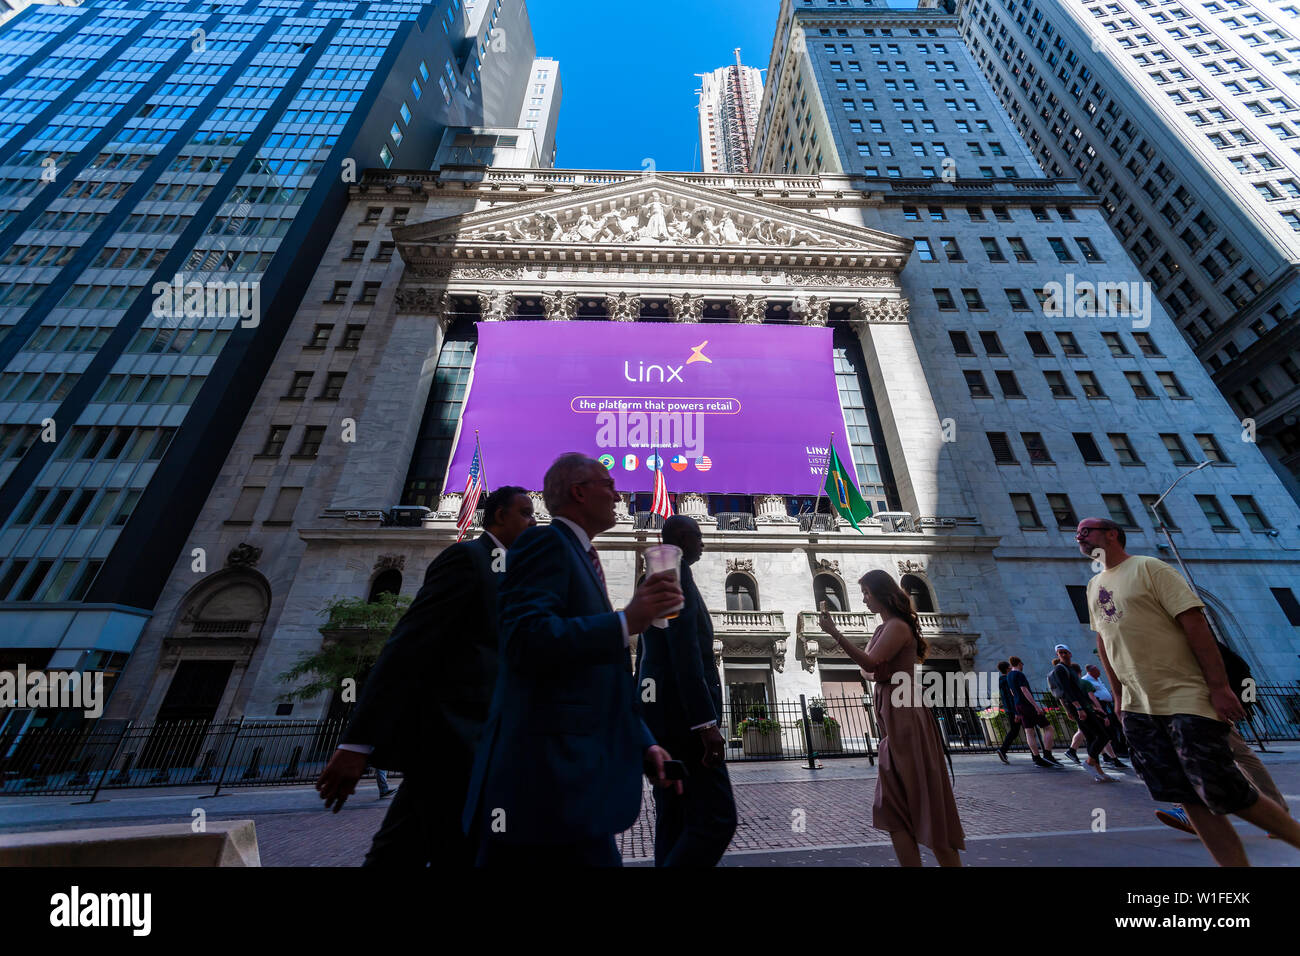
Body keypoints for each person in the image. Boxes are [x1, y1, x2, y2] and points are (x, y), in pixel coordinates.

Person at [463, 453, 684, 867]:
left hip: (571, 782)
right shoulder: (544, 543)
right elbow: (526, 639)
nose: (618, 494)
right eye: (608, 484)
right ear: (579, 492)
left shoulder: (582, 556)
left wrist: (644, 742)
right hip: (547, 776)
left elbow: (595, 673)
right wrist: (626, 621)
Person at [315, 486, 535, 866]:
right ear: (500, 515)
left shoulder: (511, 573)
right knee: (415, 849)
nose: (533, 522)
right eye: (526, 513)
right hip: (448, 748)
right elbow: (408, 646)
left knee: (431, 848)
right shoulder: (467, 559)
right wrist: (357, 744)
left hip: (480, 750)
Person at [1077, 517, 1300, 865]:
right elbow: (1105, 642)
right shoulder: (1093, 586)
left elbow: (1195, 622)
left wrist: (1219, 687)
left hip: (1186, 699)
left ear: (1112, 534)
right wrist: (1120, 698)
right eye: (1078, 532)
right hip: (1140, 709)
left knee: (1227, 791)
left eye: (1086, 530)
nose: (1079, 535)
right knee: (1189, 799)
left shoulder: (1150, 568)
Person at [819, 570, 965, 867]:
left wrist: (835, 633)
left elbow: (870, 664)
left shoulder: (897, 627)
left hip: (906, 715)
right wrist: (872, 667)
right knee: (891, 809)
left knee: (924, 803)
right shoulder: (881, 630)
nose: (863, 600)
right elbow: (868, 670)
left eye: (866, 594)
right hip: (892, 715)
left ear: (881, 594)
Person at [636, 515, 736, 866]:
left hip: (662, 720)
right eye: (698, 535)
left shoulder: (657, 570)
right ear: (681, 537)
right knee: (717, 818)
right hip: (683, 723)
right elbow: (684, 650)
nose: (703, 542)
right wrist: (704, 724)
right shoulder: (673, 568)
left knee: (675, 818)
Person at [1048, 645, 1114, 782]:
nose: (1063, 654)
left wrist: (1090, 707)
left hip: (1084, 706)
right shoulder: (1060, 669)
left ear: (1070, 653)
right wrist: (1078, 708)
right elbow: (1066, 691)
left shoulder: (1070, 669)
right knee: (1102, 735)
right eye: (1060, 653)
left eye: (1065, 652)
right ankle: (1089, 763)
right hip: (1078, 707)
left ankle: (1099, 771)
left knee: (1092, 737)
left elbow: (1077, 690)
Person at [1004, 656, 1059, 768]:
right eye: (1022, 664)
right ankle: (1048, 755)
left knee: (1029, 731)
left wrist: (1017, 709)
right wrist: (1036, 706)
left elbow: (1012, 692)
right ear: (1019, 663)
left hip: (1018, 705)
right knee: (1048, 728)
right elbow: (1024, 690)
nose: (1023, 666)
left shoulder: (1009, 675)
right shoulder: (1019, 674)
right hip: (1027, 704)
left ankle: (1037, 757)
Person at [1072, 661, 1127, 769]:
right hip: (1096, 708)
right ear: (1089, 671)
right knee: (1102, 735)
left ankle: (1104, 759)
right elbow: (1092, 698)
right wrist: (1101, 711)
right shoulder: (1085, 682)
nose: (1100, 671)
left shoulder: (1091, 681)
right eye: (1097, 670)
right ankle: (1095, 760)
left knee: (1099, 735)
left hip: (1098, 707)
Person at [993, 660, 1020, 763]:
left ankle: (1003, 750)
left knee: (1016, 731)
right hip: (1014, 709)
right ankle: (1003, 749)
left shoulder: (1001, 680)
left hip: (1009, 709)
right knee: (1018, 730)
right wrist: (1017, 711)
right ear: (1008, 668)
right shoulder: (1008, 680)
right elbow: (1011, 696)